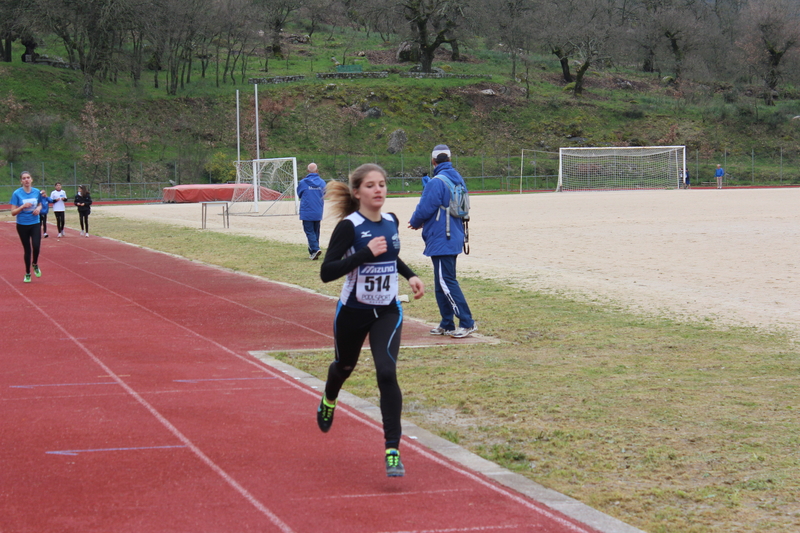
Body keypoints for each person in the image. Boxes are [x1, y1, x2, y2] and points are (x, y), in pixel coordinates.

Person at [317, 163, 424, 478]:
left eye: (382, 184)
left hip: (387, 310)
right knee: (344, 367)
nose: (378, 190)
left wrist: (410, 275)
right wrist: (363, 254)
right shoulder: (349, 227)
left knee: (387, 373)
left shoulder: (391, 221)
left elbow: (390, 254)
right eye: (370, 185)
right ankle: (330, 396)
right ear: (357, 192)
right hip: (353, 312)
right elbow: (327, 272)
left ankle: (393, 450)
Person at [408, 144, 477, 338]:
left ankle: (466, 321)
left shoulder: (436, 182)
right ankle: (446, 323)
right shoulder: (456, 179)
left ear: (433, 160)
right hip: (453, 234)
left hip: (442, 237)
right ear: (449, 159)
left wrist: (415, 222)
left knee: (446, 282)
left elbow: (425, 207)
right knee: (442, 282)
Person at [9, 171, 43, 283]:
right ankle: (28, 272)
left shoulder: (37, 192)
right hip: (22, 224)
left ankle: (35, 264)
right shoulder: (17, 193)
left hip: (35, 223)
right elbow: (13, 212)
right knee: (27, 249)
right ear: (21, 181)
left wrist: (38, 209)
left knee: (36, 246)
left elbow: (40, 203)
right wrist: (22, 206)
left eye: (28, 177)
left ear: (31, 179)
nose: (26, 180)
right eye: (24, 178)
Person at [297, 163, 326, 260]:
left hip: (307, 211)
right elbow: (325, 193)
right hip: (318, 210)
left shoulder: (303, 182)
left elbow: (299, 194)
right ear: (317, 171)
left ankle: (315, 248)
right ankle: (314, 252)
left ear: (307, 171)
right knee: (316, 231)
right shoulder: (322, 183)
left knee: (309, 231)